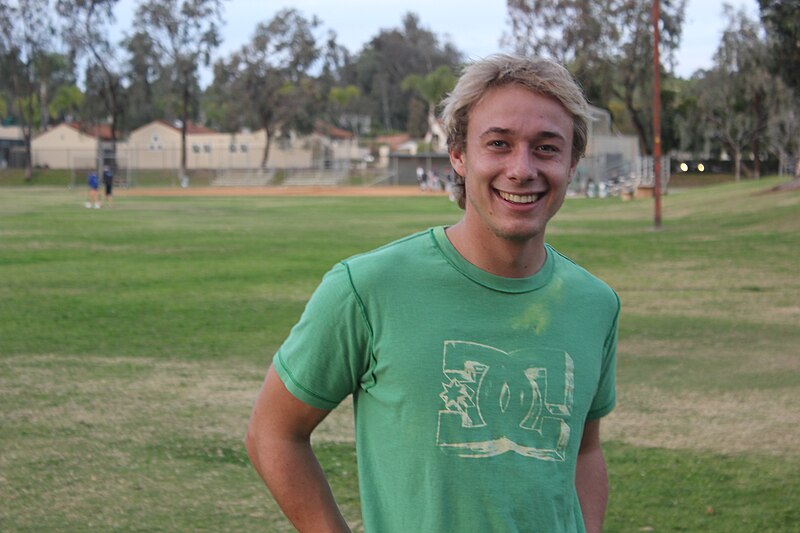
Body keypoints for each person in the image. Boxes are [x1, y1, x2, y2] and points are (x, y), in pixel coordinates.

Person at [246, 53, 619, 533]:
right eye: (499, 144)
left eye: (546, 148)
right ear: (459, 155)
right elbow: (273, 432)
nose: (522, 169)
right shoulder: (367, 288)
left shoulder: (595, 304)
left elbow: (585, 450)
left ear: (572, 164)